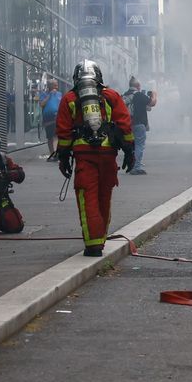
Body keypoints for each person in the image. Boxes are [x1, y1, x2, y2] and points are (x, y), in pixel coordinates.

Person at [57, 60, 135, 256]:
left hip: (85, 157)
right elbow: (125, 125)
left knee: (87, 199)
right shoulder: (111, 95)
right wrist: (130, 152)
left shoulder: (70, 98)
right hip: (108, 156)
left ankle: (93, 245)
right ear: (99, 76)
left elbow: (64, 132)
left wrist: (63, 158)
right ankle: (100, 238)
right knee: (104, 197)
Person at [123, 77, 157, 175]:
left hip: (127, 124)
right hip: (138, 124)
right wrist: (154, 94)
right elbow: (152, 103)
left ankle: (132, 165)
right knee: (139, 145)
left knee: (132, 146)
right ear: (138, 86)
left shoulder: (125, 95)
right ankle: (137, 167)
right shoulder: (139, 95)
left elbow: (147, 108)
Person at [39, 79, 62, 160]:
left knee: (56, 135)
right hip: (48, 118)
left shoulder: (59, 94)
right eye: (55, 85)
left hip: (57, 117)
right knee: (50, 137)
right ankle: (52, 153)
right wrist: (49, 96)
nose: (57, 87)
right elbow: (41, 104)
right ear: (50, 86)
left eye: (57, 85)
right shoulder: (44, 94)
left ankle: (56, 152)